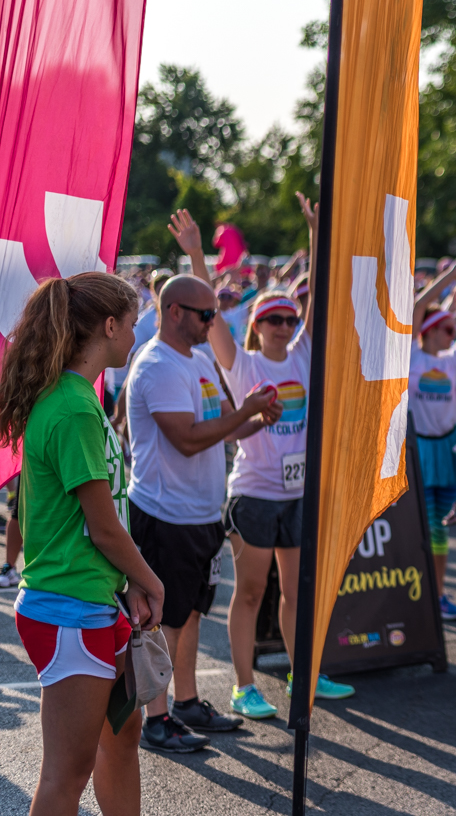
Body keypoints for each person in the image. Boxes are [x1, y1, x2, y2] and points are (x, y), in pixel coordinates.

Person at [168, 206, 359, 720]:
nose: (284, 324)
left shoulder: (303, 354)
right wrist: (194, 255)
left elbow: (317, 296)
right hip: (253, 494)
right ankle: (243, 686)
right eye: (274, 318)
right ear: (257, 326)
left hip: (295, 495)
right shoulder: (242, 363)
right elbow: (207, 314)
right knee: (250, 593)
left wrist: (318, 234)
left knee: (298, 591)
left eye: (290, 318)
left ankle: (304, 676)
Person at [1, 272, 164, 815]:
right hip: (69, 605)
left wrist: (126, 584)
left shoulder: (77, 398)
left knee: (123, 732)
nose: (137, 335)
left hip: (90, 597)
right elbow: (104, 527)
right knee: (64, 775)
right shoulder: (72, 408)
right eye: (133, 324)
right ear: (109, 326)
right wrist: (148, 579)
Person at [125, 263, 279, 752]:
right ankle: (157, 717)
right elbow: (188, 440)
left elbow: (221, 427)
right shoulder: (157, 365)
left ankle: (187, 701)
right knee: (160, 619)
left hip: (199, 514)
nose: (214, 322)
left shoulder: (193, 359)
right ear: (174, 313)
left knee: (190, 613)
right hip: (165, 514)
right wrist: (246, 411)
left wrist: (253, 419)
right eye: (206, 314)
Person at [408, 255, 456, 621]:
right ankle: (426, 593)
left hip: (448, 447)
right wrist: (450, 278)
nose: (453, 335)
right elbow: (420, 305)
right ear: (430, 330)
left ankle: (435, 593)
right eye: (448, 329)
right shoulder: (411, 359)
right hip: (420, 447)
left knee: (439, 525)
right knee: (424, 525)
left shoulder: (453, 361)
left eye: (454, 331)